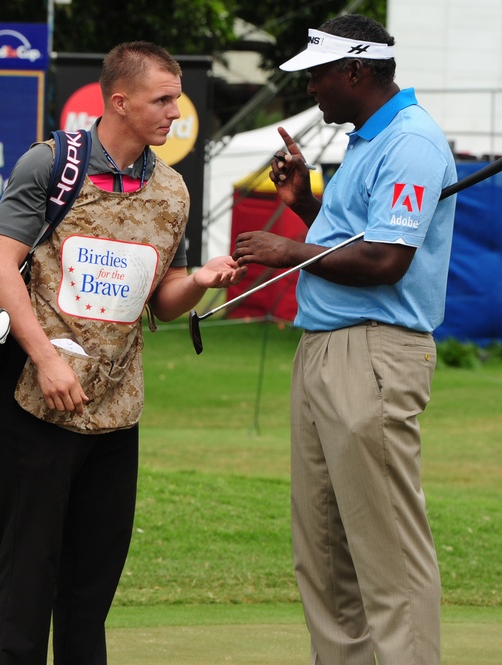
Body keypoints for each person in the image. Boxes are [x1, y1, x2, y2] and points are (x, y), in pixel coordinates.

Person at [0, 41, 245, 664]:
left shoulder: (173, 190)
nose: (174, 113)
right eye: (162, 100)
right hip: (36, 403)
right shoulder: (49, 165)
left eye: (176, 99)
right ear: (119, 101)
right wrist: (45, 358)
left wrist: (199, 281)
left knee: (91, 587)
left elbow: (162, 299)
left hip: (118, 414)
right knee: (27, 579)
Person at [232, 15, 457, 665]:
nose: (310, 89)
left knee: (386, 552)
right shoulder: (367, 138)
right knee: (325, 552)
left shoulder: (410, 141)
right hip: (328, 349)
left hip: (375, 353)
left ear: (355, 71)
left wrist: (285, 248)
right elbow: (353, 238)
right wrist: (305, 203)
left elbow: (385, 261)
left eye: (318, 75)